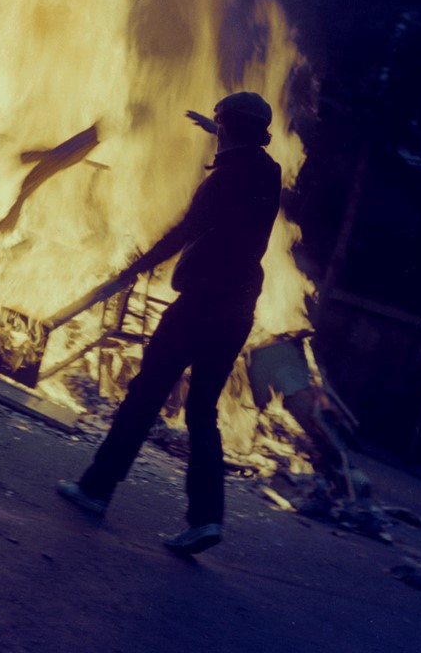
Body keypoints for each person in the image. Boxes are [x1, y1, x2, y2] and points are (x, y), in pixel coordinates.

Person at [57, 91, 282, 555]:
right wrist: (216, 126)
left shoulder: (223, 180)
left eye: (221, 125)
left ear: (231, 130)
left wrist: (129, 273)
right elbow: (243, 148)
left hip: (199, 305)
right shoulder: (267, 173)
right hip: (238, 310)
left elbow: (184, 232)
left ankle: (96, 490)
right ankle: (206, 519)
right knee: (202, 412)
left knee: (145, 395)